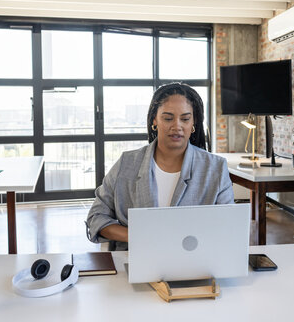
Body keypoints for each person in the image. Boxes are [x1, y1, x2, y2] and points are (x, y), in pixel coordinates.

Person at [86, 82, 234, 250]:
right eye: (168, 118)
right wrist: (138, 236)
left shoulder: (215, 168)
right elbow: (96, 217)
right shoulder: (126, 164)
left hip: (195, 262)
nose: (177, 126)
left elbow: (228, 226)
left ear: (193, 123)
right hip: (136, 261)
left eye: (185, 119)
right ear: (154, 120)